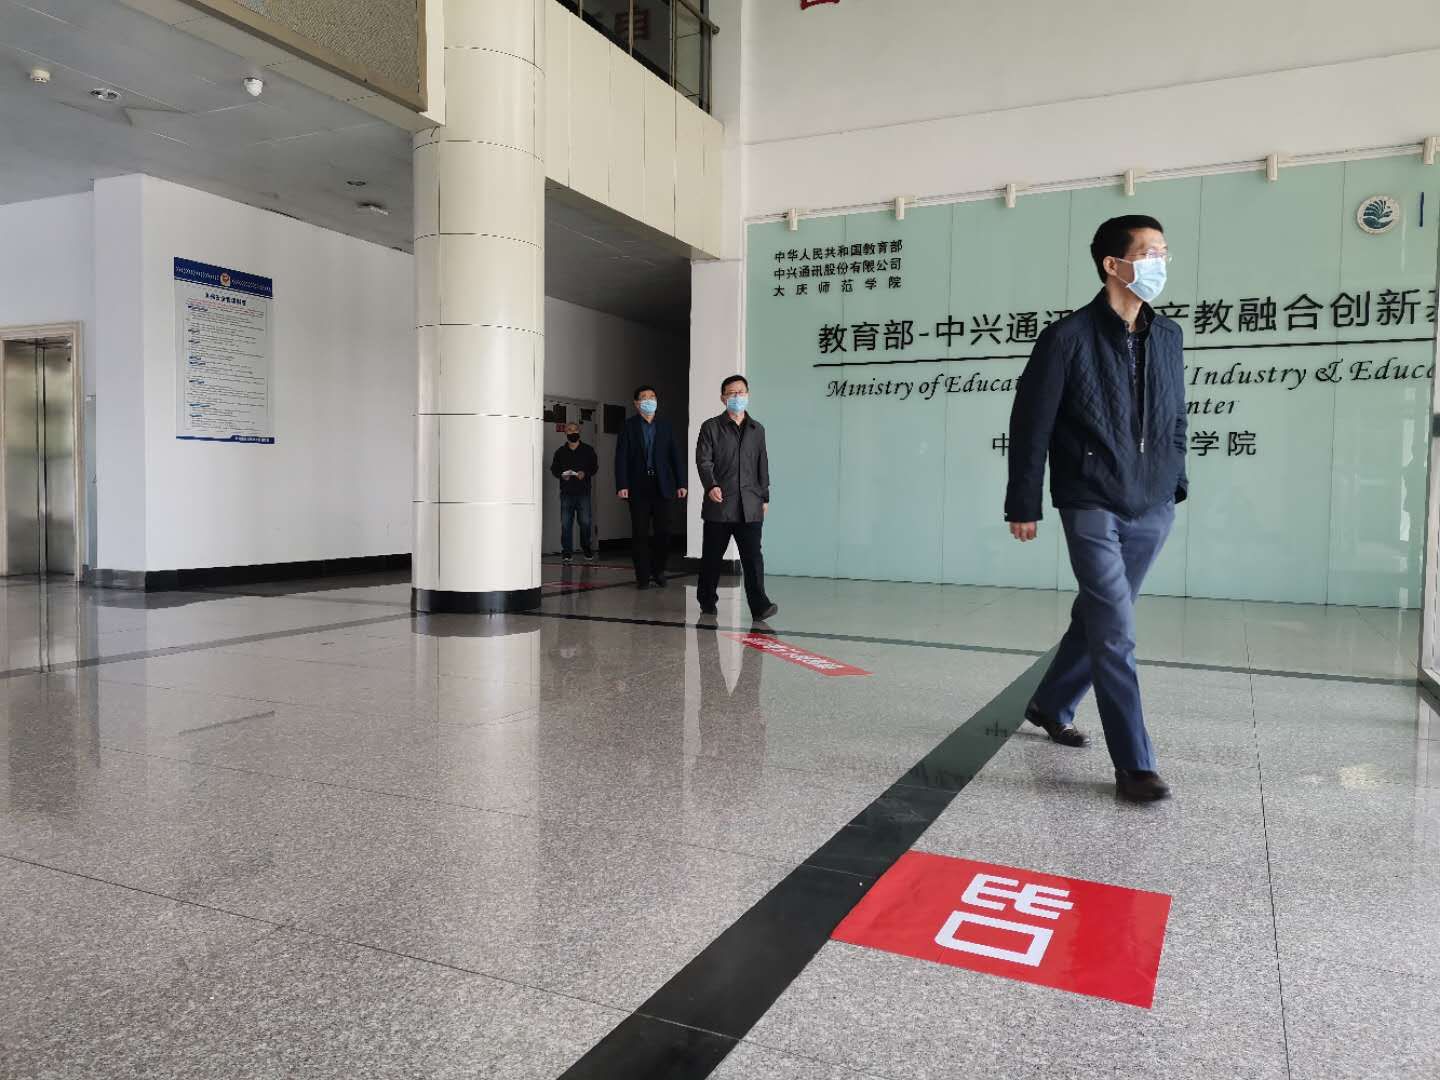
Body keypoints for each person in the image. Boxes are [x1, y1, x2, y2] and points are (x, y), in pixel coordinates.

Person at [1004, 214, 1188, 803]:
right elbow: (1031, 426)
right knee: (1116, 631)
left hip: (1152, 503)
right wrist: (1023, 502)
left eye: (1164, 251)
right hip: (1089, 499)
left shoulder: (1168, 336)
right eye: (1149, 253)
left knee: (1100, 617)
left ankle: (1050, 702)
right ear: (1114, 264)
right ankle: (1135, 765)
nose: (1160, 263)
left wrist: (1175, 481)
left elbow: (1176, 416)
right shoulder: (1066, 338)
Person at [696, 375, 778, 621]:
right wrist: (711, 485)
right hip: (720, 505)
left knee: (753, 559)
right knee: (712, 558)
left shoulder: (757, 429)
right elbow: (704, 460)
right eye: (731, 393)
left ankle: (760, 606)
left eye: (741, 392)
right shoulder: (711, 427)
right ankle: (707, 600)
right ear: (723, 398)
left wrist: (764, 497)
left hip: (750, 505)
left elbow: (762, 464)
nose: (737, 397)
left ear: (748, 395)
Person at [616, 385, 686, 589]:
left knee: (664, 532)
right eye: (644, 397)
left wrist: (681, 482)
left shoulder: (665, 426)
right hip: (638, 486)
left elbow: (675, 455)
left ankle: (658, 570)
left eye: (652, 397)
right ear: (636, 403)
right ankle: (643, 576)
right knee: (640, 533)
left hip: (663, 485)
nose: (649, 400)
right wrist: (622, 484)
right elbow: (621, 457)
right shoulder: (628, 426)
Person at [549, 421, 598, 563]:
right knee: (566, 524)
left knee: (585, 523)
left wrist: (585, 473)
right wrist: (561, 475)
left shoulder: (588, 450)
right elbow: (554, 469)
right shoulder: (560, 452)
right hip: (566, 493)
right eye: (569, 430)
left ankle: (586, 548)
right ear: (565, 433)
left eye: (574, 429)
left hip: (583, 493)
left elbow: (594, 467)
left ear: (579, 431)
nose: (572, 432)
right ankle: (567, 552)